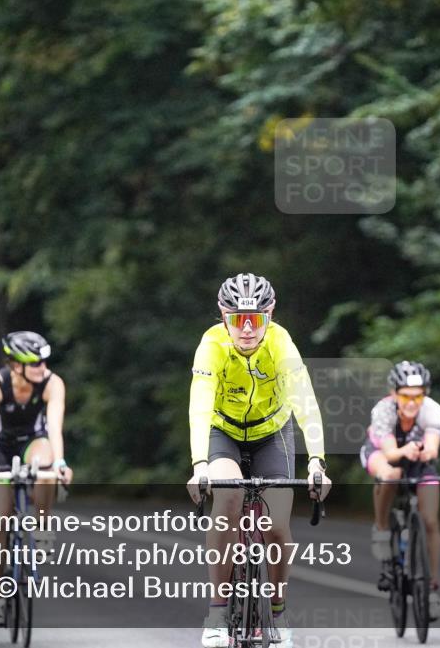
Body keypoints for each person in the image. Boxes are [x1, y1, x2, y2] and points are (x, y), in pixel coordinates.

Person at [186, 273, 331, 648]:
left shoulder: (281, 344)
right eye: (237, 320)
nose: (247, 330)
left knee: (277, 524)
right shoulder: (211, 345)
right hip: (224, 432)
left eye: (257, 320)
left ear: (270, 315)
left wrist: (317, 461)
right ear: (223, 316)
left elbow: (305, 403)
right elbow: (200, 406)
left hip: (272, 433)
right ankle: (218, 610)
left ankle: (278, 608)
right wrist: (200, 465)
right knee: (229, 497)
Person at [0, 331, 73, 626]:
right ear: (16, 365)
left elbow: (54, 428)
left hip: (35, 441)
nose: (43, 368)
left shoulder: (53, 383)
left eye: (44, 362)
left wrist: (61, 463)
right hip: (1, 447)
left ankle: (42, 526)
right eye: (35, 364)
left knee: (46, 464)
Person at [359, 360, 440, 620]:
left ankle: (430, 588)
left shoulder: (432, 410)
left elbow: (432, 448)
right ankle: (382, 528)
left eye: (417, 397)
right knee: (391, 475)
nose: (411, 402)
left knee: (430, 520)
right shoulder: (383, 411)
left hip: (417, 459)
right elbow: (390, 453)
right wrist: (404, 452)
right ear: (394, 393)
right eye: (405, 395)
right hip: (383, 454)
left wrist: (424, 452)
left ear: (425, 395)